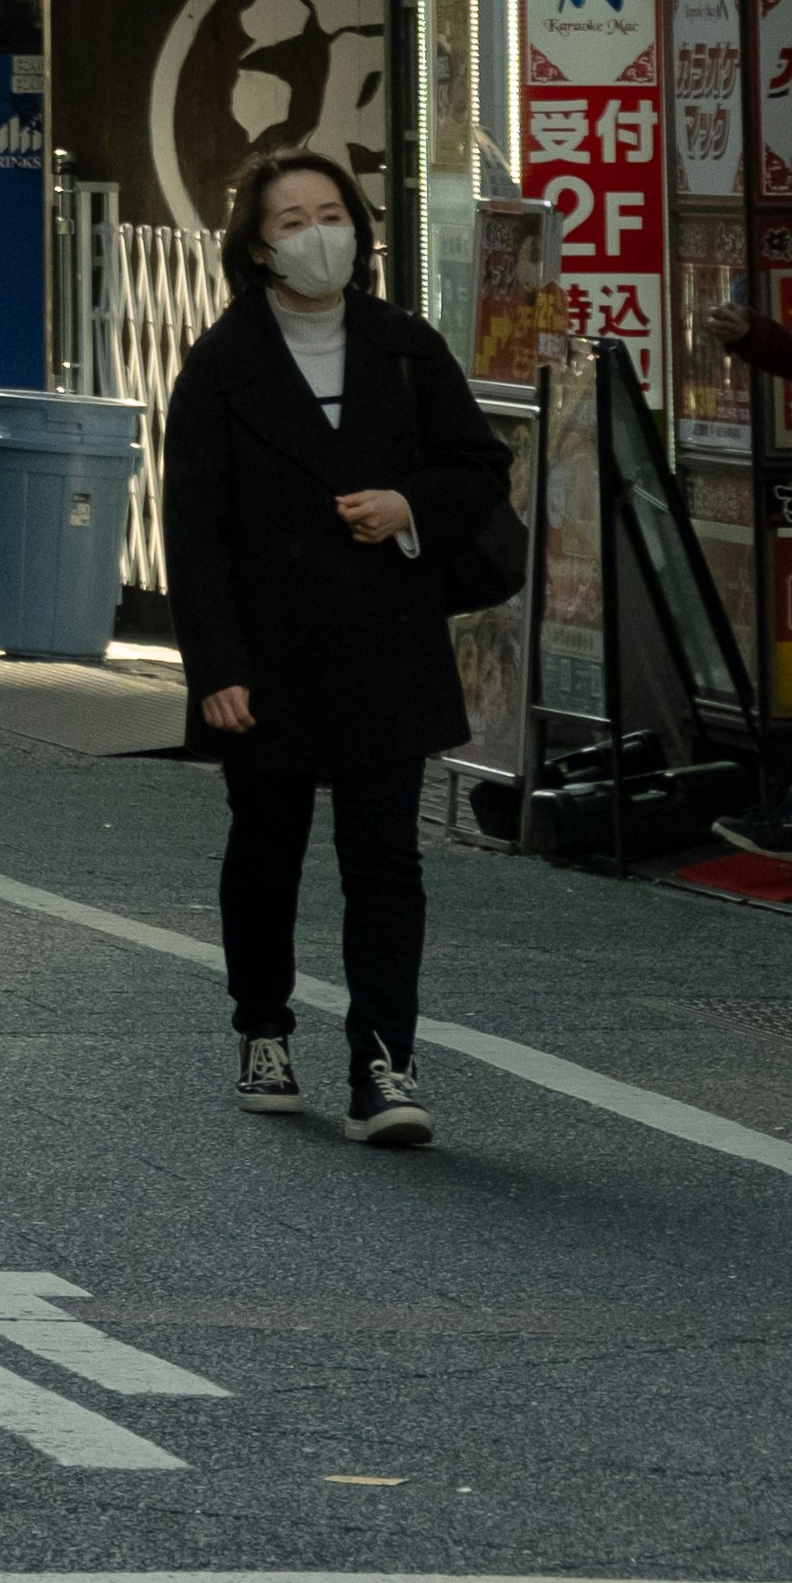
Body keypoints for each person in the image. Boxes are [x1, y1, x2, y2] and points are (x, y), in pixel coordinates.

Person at [161, 151, 505, 1150]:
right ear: (257, 247)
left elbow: (475, 466)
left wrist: (409, 507)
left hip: (384, 638)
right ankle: (261, 1028)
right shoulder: (222, 363)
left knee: (384, 862)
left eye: (332, 214)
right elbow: (193, 529)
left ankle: (381, 1065)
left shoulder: (403, 346)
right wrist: (215, 667)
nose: (320, 235)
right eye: (292, 221)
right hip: (266, 654)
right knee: (265, 852)